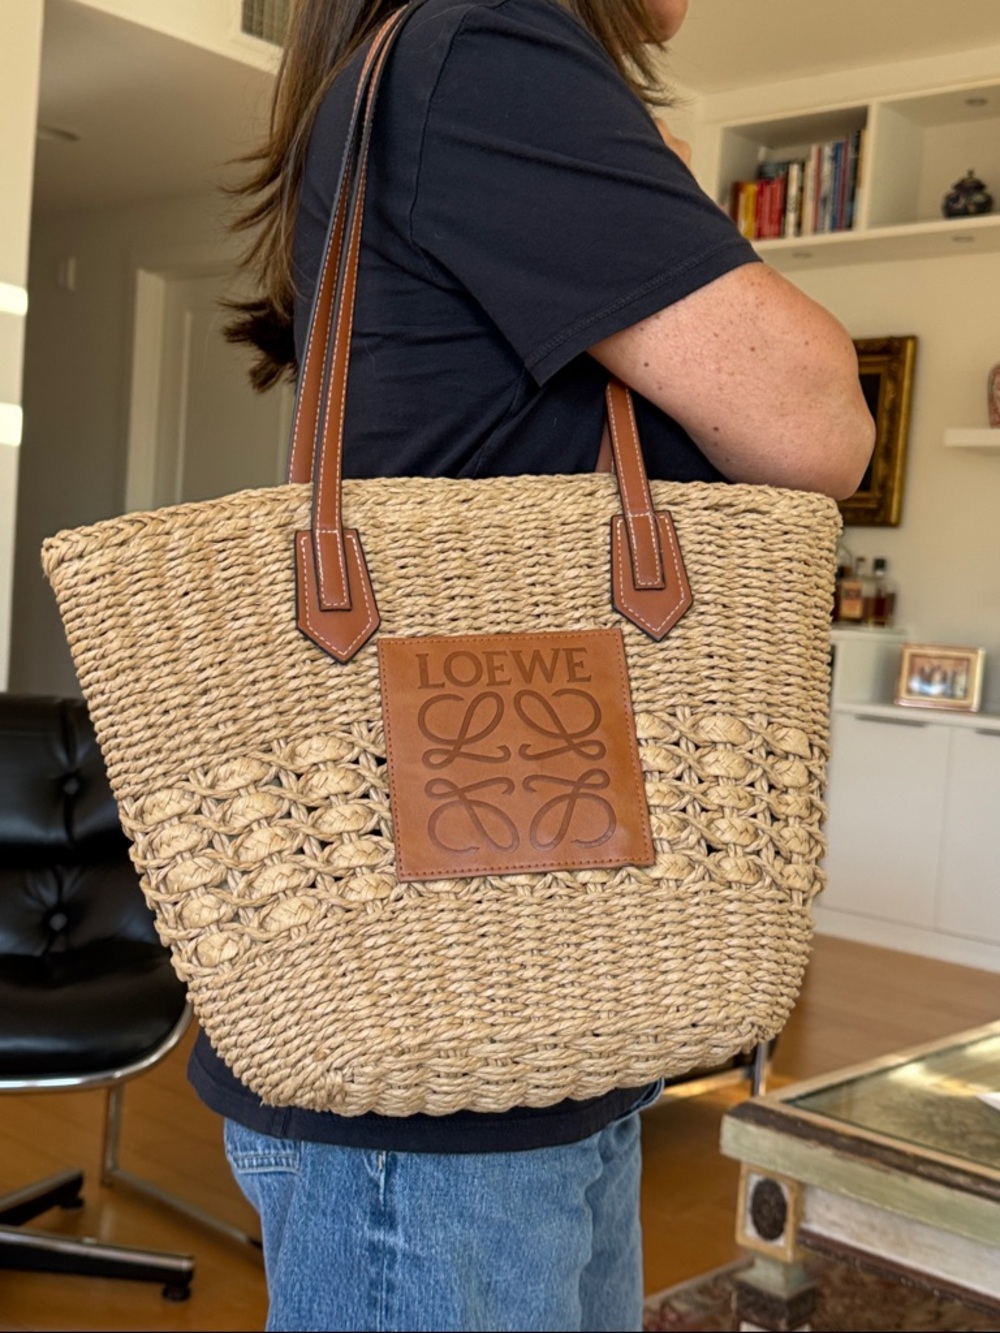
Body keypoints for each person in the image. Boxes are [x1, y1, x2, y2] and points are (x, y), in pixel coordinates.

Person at [195, 1, 876, 1329]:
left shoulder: (443, 62)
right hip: (439, 1069)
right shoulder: (483, 46)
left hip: (532, 1022)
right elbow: (818, 422)